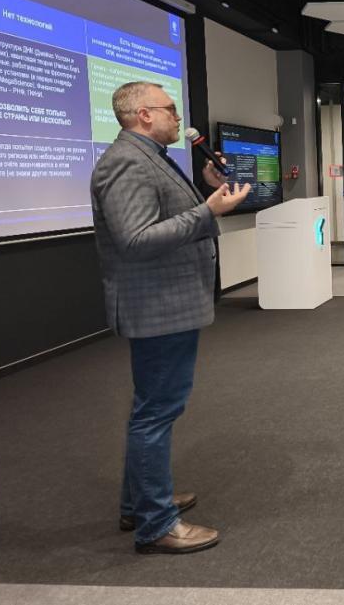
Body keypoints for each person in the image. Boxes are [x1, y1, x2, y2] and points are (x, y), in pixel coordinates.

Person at [91, 81, 250, 554]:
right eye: (171, 109)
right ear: (143, 114)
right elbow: (135, 240)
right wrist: (207, 211)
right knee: (155, 413)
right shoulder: (126, 162)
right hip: (157, 307)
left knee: (154, 408)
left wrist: (207, 191)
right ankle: (156, 524)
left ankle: (139, 502)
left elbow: (163, 215)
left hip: (168, 303)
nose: (179, 118)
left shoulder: (151, 156)